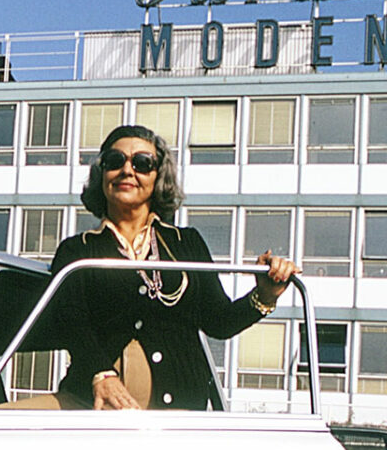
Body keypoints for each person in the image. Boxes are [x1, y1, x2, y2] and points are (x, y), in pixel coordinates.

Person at [51, 125, 299, 411]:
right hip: (88, 404)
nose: (127, 170)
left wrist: (265, 295)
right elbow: (69, 323)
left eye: (142, 163)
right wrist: (101, 374)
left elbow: (219, 321)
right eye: (115, 161)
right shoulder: (77, 250)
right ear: (102, 173)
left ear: (158, 177)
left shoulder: (185, 244)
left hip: (179, 409)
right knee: (8, 422)